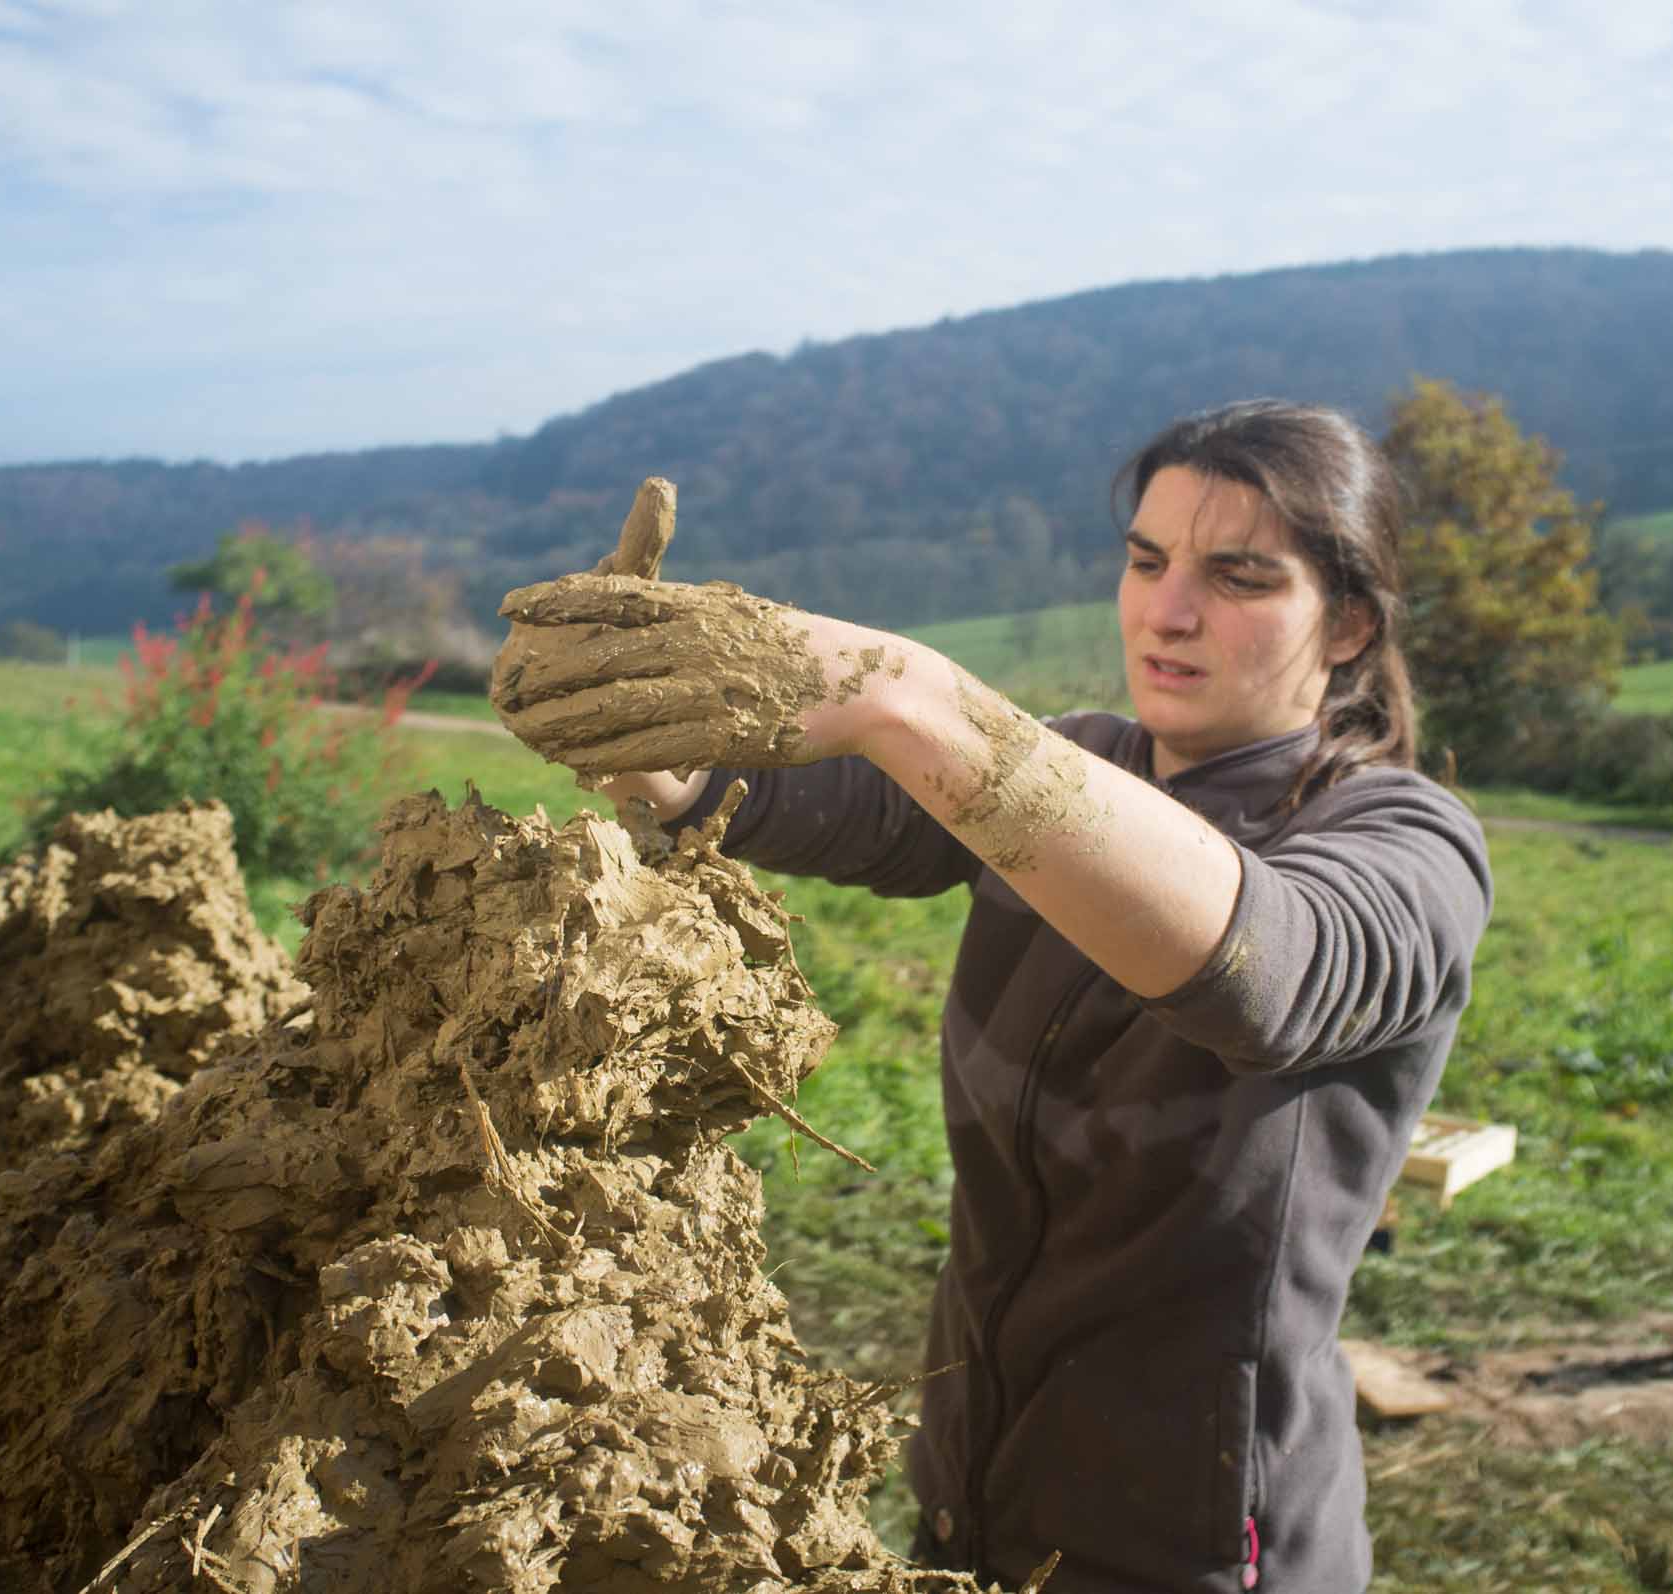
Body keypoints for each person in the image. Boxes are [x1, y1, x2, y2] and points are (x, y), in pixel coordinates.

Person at [492, 401, 1493, 1594]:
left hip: (1196, 1541)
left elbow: (1274, 974)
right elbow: (799, 798)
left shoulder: (1408, 840)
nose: (1168, 611)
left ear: (1351, 625)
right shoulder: (1083, 759)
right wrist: (643, 738)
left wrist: (912, 692)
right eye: (1146, 561)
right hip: (973, 1492)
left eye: (1239, 577)